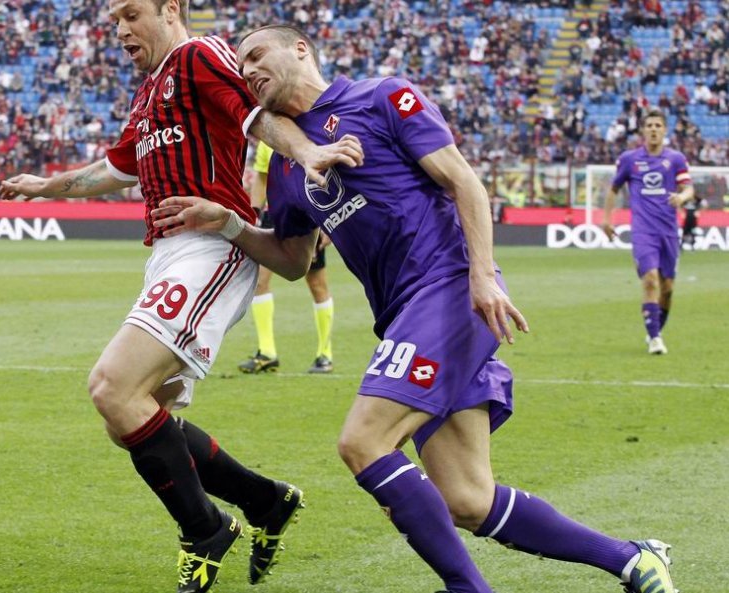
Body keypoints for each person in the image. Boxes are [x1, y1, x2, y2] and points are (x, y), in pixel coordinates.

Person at [152, 25, 678, 593]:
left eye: (257, 55)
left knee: (363, 442)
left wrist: (481, 275)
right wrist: (228, 223)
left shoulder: (381, 97)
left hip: (450, 288)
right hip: (404, 316)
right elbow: (292, 259)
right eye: (242, 64)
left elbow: (463, 182)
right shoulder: (284, 164)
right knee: (468, 500)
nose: (248, 70)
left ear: (300, 48)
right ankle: (633, 558)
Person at [0, 3, 363, 592]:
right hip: (169, 254)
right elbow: (116, 169)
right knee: (134, 418)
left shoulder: (198, 56)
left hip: (211, 246)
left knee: (113, 389)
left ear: (171, 10)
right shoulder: (150, 94)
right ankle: (265, 501)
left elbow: (255, 119)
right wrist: (48, 187)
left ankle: (206, 530)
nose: (120, 30)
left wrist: (308, 152)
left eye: (131, 14)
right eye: (113, 20)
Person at [603, 110, 694, 355]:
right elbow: (613, 189)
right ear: (643, 130)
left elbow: (688, 188)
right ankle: (655, 338)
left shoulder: (675, 159)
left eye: (658, 125)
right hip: (643, 231)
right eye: (649, 125)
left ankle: (655, 330)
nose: (653, 129)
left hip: (669, 232)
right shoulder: (630, 159)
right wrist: (606, 219)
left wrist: (681, 197)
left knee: (668, 287)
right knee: (651, 280)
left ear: (665, 130)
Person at [239, 140, 334, 374]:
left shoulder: (306, 132)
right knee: (259, 281)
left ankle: (325, 354)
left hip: (307, 213)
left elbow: (327, 175)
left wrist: (328, 222)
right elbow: (261, 177)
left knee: (316, 284)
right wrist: (254, 216)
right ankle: (267, 352)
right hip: (273, 215)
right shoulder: (265, 140)